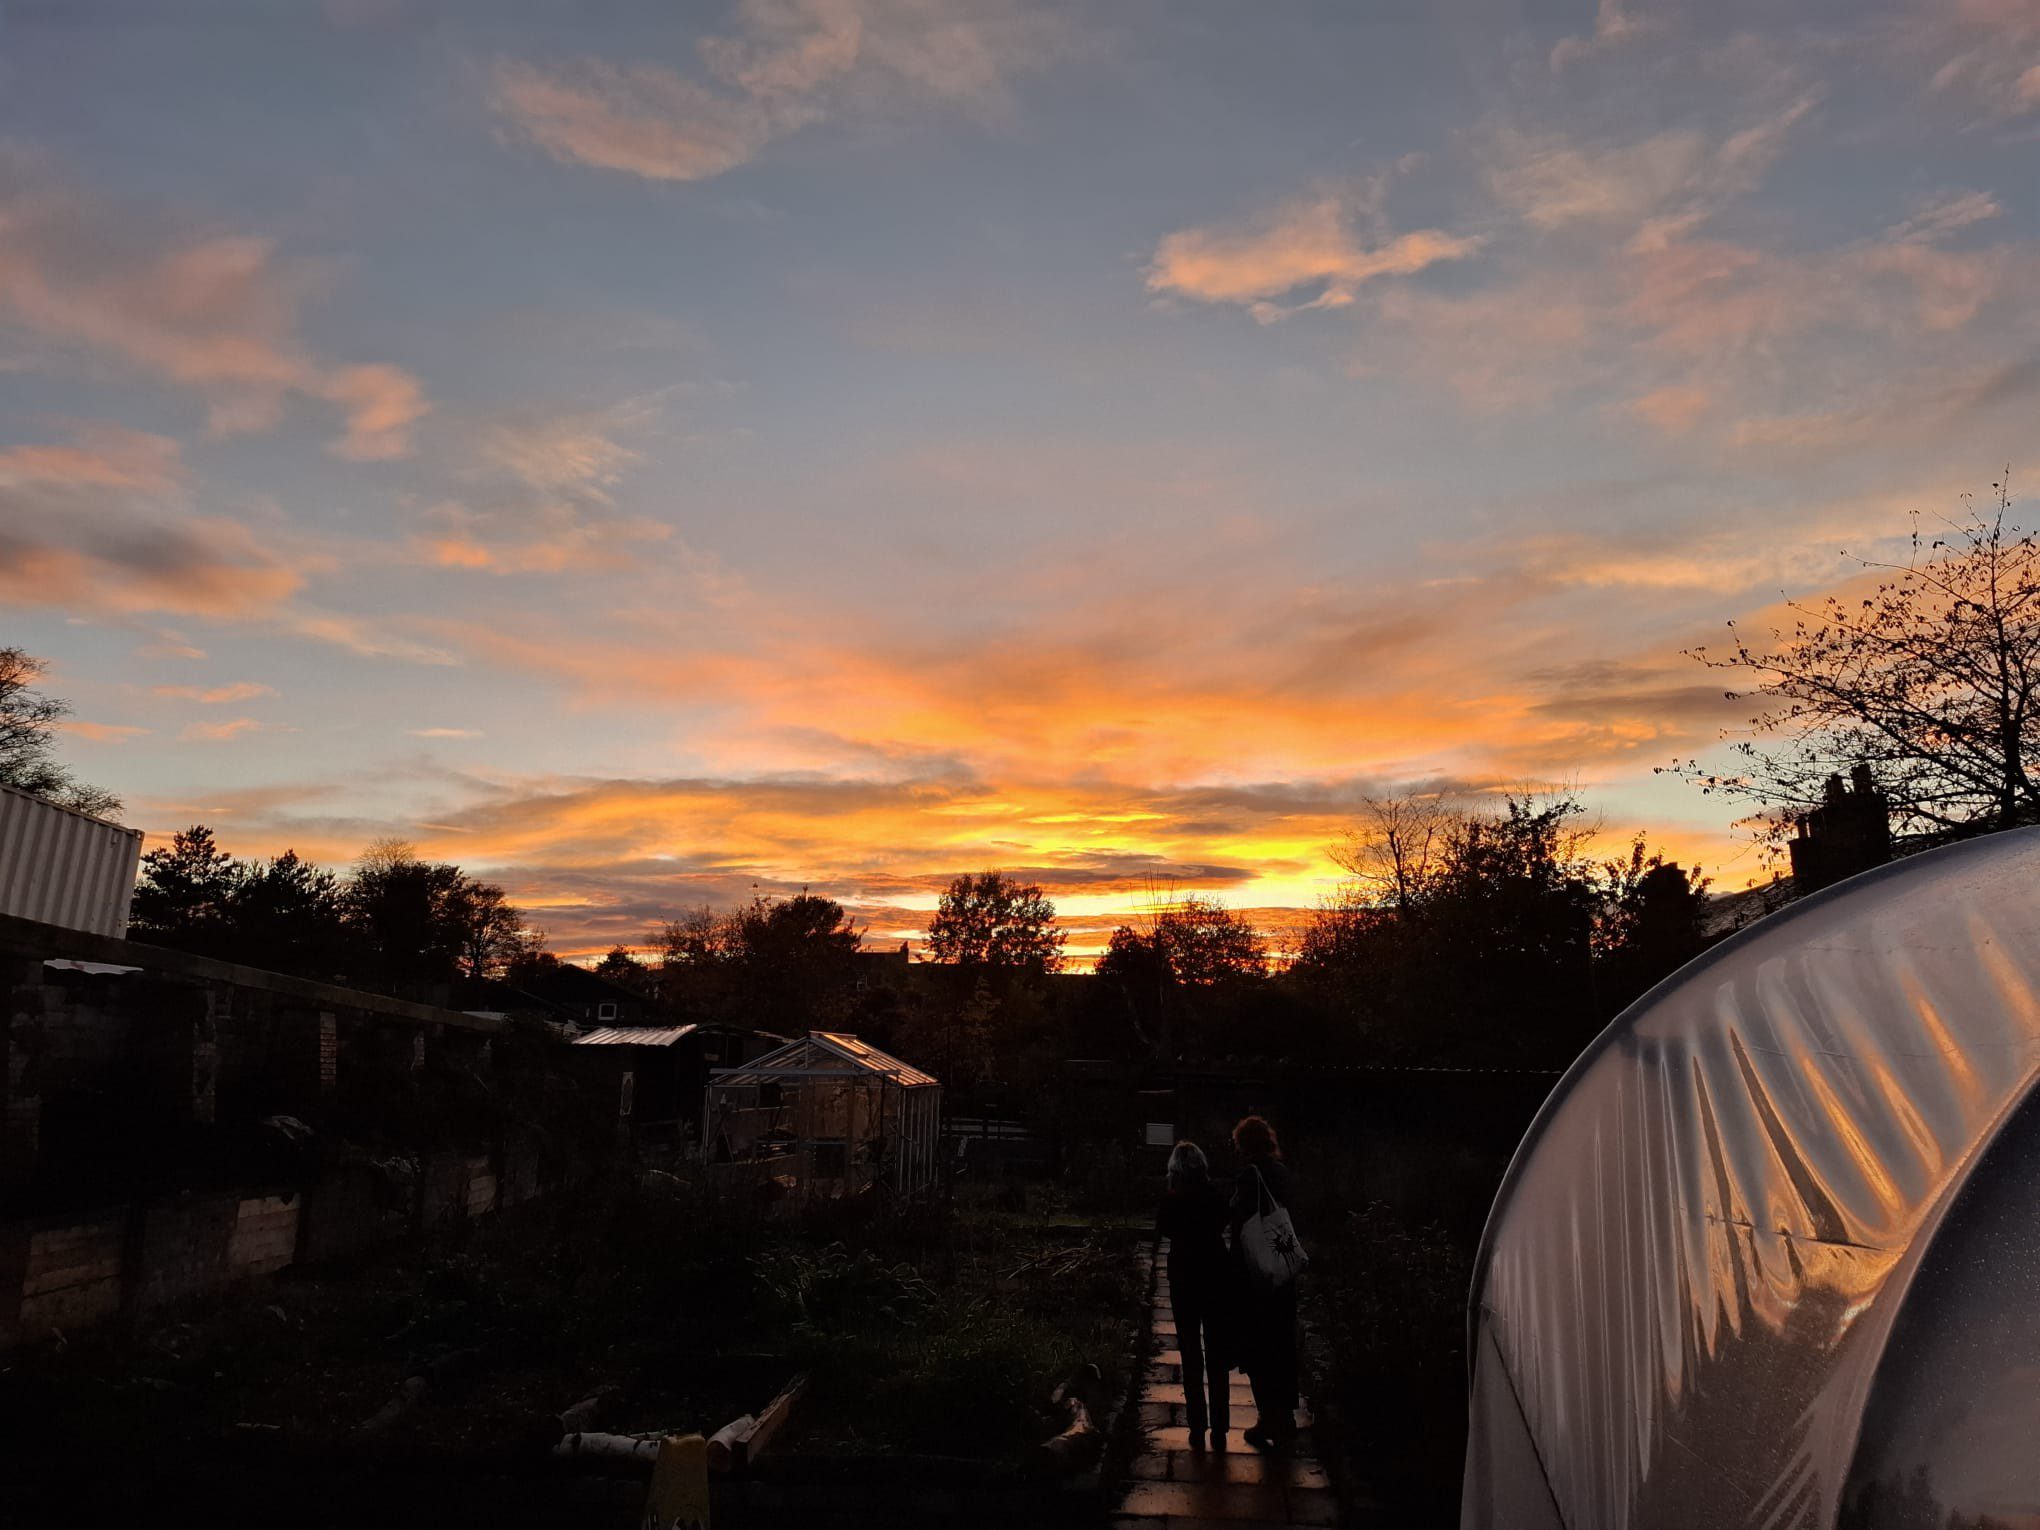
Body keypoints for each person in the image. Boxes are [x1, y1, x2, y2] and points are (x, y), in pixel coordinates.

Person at [1158, 1139, 1235, 1451]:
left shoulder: (1173, 1198)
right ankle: (1219, 1424)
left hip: (1184, 1278)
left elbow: (1164, 1229)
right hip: (1215, 1275)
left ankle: (1196, 1424)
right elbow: (1225, 1219)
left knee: (1190, 1353)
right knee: (1217, 1353)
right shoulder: (1214, 1193)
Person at [1227, 1115, 1298, 1451]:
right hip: (1283, 1271)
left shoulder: (1249, 1178)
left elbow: (1237, 1221)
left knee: (1257, 1348)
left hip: (1255, 1277)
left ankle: (1267, 1417)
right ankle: (1285, 1416)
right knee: (1282, 1346)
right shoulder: (1282, 1174)